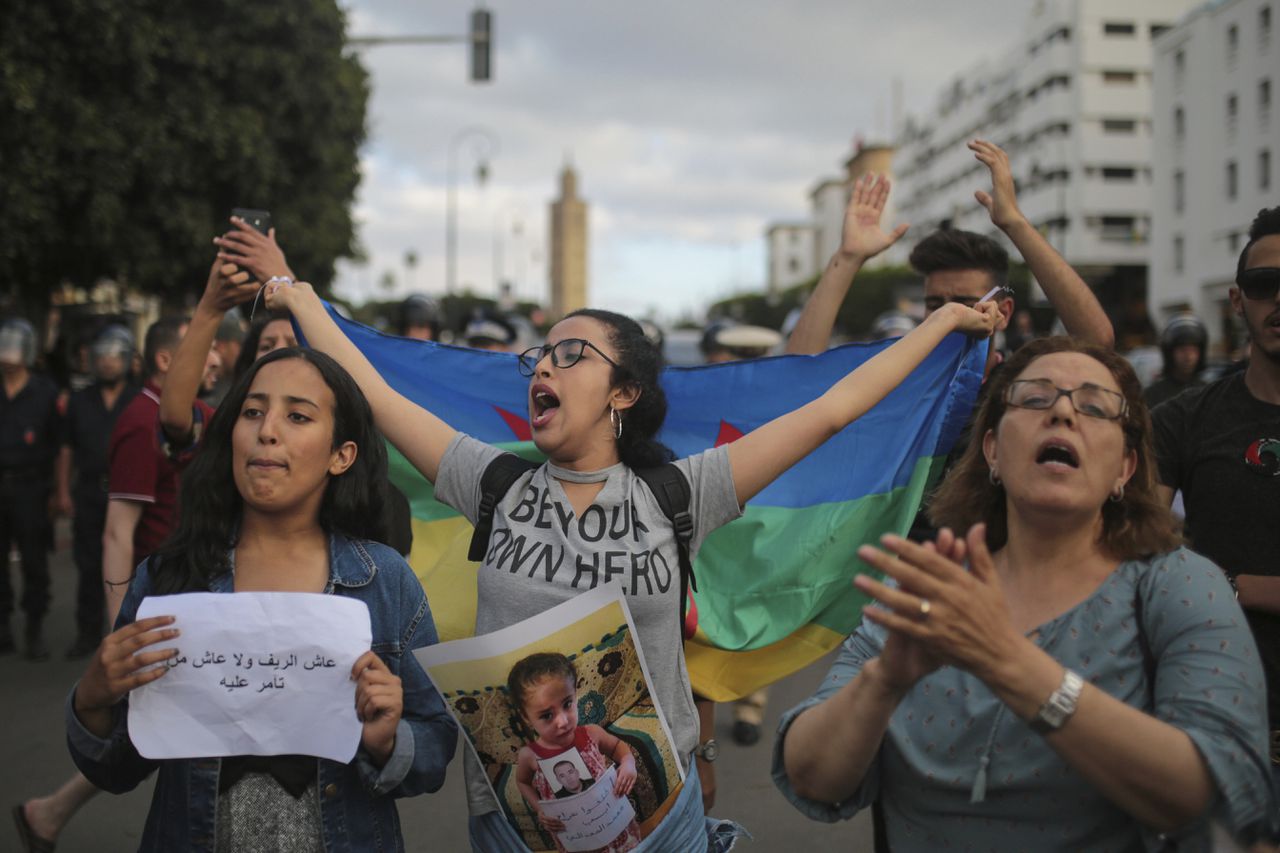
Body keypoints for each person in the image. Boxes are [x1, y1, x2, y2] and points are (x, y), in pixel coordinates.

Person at [265, 275, 997, 850]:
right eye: (540, 356)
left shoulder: (684, 490)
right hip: (513, 827)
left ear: (624, 392)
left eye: (571, 353)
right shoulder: (490, 484)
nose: (544, 365)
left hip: (655, 822)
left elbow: (835, 409)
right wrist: (299, 298)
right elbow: (375, 393)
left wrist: (940, 325)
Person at [774, 337, 1275, 850]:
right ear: (993, 450)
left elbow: (1211, 790)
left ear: (1124, 468)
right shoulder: (928, 586)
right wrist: (881, 683)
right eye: (1035, 398)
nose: (1061, 412)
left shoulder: (1179, 585)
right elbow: (812, 778)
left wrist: (1010, 663)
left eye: (1094, 406)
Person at [64, 346, 457, 850]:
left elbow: (436, 744)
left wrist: (388, 741)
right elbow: (117, 766)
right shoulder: (169, 579)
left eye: (297, 415)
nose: (267, 429)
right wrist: (92, 698)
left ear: (342, 455)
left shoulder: (384, 581)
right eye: (252, 411)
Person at [1152, 206, 1280, 824]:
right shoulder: (1183, 419)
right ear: (1237, 299)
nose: (1279, 300)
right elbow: (1133, 551)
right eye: (1265, 286)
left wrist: (1231, 585)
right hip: (1212, 724)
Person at [56, 324, 140, 659]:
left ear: (127, 360)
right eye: (101, 356)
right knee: (89, 565)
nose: (107, 363)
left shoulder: (139, 399)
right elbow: (66, 449)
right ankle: (87, 634)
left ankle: (127, 634)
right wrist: (62, 490)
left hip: (129, 495)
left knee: (132, 566)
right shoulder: (78, 400)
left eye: (114, 356)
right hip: (89, 492)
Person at [509, 652, 641, 850]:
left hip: (613, 824)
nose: (563, 721)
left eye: (567, 704)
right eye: (547, 715)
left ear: (575, 695)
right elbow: (522, 782)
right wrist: (540, 810)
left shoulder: (592, 734)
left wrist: (629, 763)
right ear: (526, 718)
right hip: (577, 837)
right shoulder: (529, 755)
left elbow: (617, 747)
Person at [0, 317, 61, 660]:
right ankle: (3, 627)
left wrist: (57, 491)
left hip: (31, 488)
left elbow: (59, 446)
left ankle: (34, 627)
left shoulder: (44, 393)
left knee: (34, 561)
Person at [1143, 312, 1209, 409]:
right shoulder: (1153, 395)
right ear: (1169, 353)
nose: (1188, 357)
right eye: (1183, 350)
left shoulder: (1207, 391)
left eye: (1193, 350)